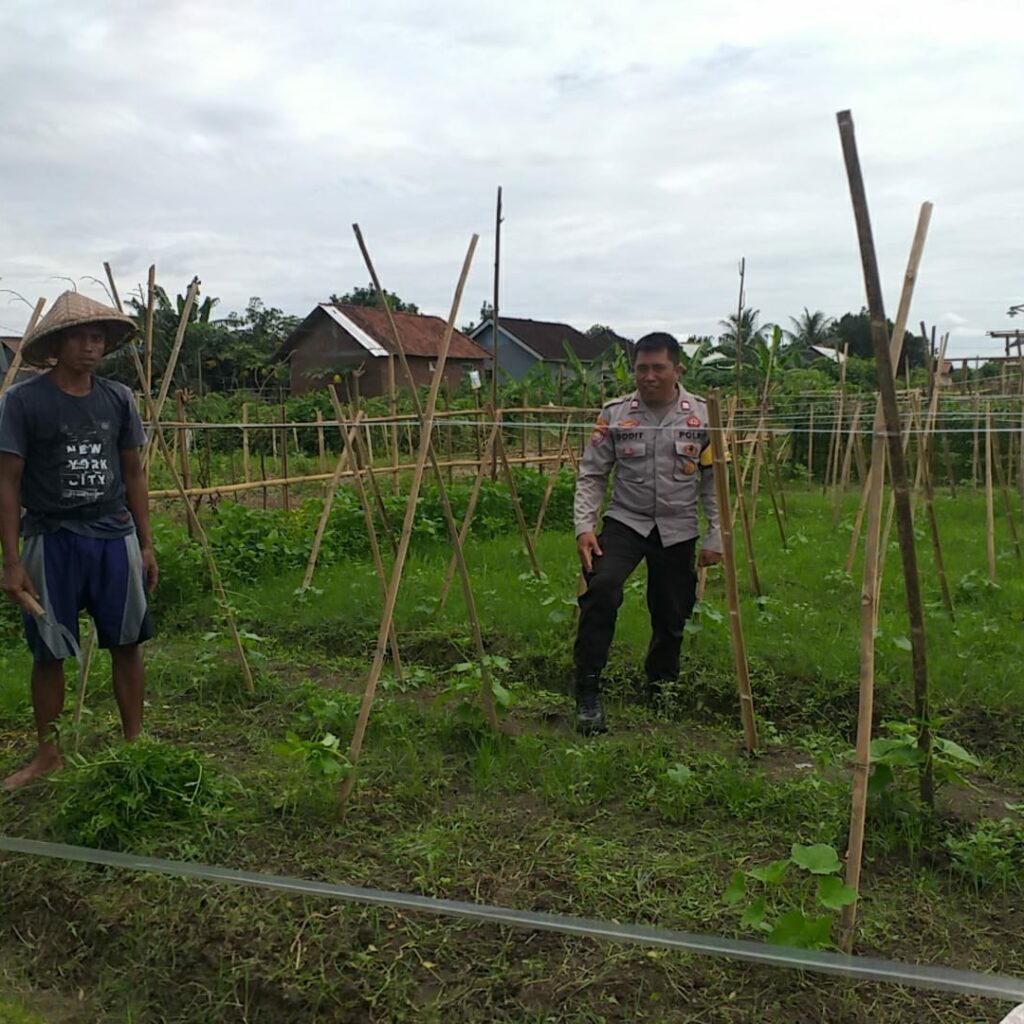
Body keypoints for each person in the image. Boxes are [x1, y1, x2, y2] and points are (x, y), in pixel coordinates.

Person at [0, 291, 157, 791]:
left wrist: (146, 544)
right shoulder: (23, 402)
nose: (90, 347)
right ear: (56, 344)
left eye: (97, 338)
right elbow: (7, 482)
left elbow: (133, 474)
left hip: (113, 535)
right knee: (48, 651)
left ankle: (135, 745)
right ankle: (48, 754)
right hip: (50, 537)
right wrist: (11, 561)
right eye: (78, 338)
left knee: (127, 642)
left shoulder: (118, 398)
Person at [572, 332, 722, 733]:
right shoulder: (615, 415)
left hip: (678, 525)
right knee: (601, 589)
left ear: (677, 369)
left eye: (658, 368)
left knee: (672, 609)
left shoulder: (703, 417)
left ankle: (661, 685)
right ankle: (587, 688)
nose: (649, 376)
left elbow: (714, 481)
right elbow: (592, 474)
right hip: (627, 520)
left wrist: (716, 536)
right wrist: (584, 526)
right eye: (642, 368)